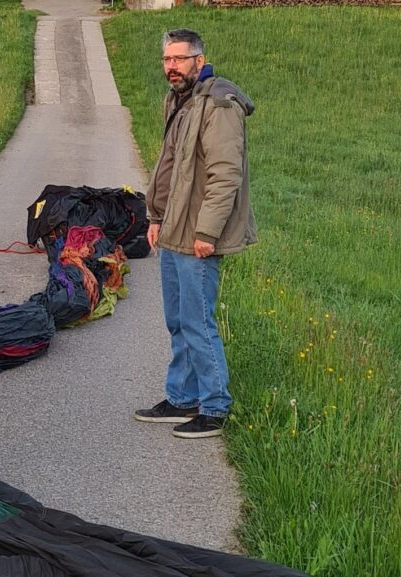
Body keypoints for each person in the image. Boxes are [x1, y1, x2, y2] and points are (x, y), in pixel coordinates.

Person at [133, 29, 256, 439]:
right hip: (172, 228)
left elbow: (225, 175)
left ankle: (215, 406)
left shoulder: (219, 104)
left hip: (198, 233)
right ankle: (182, 397)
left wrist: (208, 231)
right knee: (176, 319)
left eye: (179, 59)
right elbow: (170, 166)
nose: (171, 67)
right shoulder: (179, 99)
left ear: (199, 61)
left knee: (197, 320)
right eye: (167, 60)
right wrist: (155, 216)